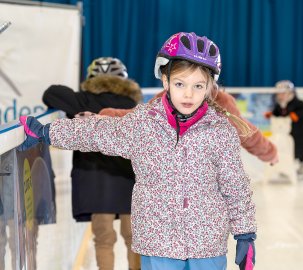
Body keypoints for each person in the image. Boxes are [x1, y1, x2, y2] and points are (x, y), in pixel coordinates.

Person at [19, 32, 257, 270]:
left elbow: (234, 185)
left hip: (207, 245)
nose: (188, 94)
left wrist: (245, 234)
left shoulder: (220, 130)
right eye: (180, 84)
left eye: (198, 86)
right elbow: (97, 133)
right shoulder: (143, 124)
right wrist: (46, 132)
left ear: (209, 88)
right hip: (158, 244)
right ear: (165, 81)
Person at [42, 57, 143, 270]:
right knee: (134, 239)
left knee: (104, 239)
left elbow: (51, 93)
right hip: (129, 178)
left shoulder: (83, 100)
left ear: (92, 79)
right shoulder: (132, 105)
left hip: (95, 178)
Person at [99, 88, 279, 165]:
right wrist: (107, 116)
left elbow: (246, 133)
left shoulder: (221, 101)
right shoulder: (168, 97)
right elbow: (139, 116)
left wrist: (269, 153)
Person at [264, 80, 303, 177]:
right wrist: (271, 114)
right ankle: (287, 168)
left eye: (283, 93)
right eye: (279, 94)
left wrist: (296, 115)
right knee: (288, 151)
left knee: (300, 151)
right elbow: (277, 112)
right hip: (287, 133)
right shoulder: (280, 104)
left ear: (290, 93)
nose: (281, 96)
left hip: (299, 132)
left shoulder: (297, 103)